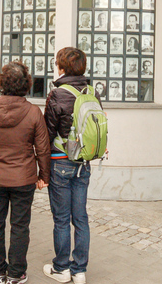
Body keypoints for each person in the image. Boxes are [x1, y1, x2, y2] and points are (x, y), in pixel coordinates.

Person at [0, 62, 51, 284]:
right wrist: (44, 176)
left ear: (2, 83)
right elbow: (43, 148)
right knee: (20, 225)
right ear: (26, 85)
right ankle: (16, 273)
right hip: (23, 178)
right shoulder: (34, 112)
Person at [43, 48, 100, 284]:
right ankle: (80, 271)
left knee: (61, 218)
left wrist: (42, 169)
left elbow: (47, 133)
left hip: (60, 162)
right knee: (81, 218)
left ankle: (61, 268)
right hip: (83, 163)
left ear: (62, 67)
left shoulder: (57, 94)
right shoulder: (92, 92)